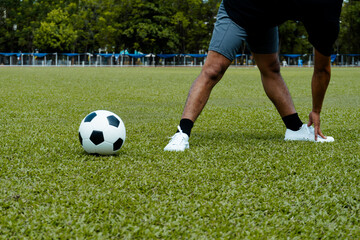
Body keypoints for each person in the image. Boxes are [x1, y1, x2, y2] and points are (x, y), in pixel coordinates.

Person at [164, 0, 343, 151]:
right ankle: (182, 133)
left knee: (271, 69)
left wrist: (316, 111)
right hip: (239, 9)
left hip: (267, 19)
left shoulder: (327, 8)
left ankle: (295, 129)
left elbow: (322, 69)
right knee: (214, 69)